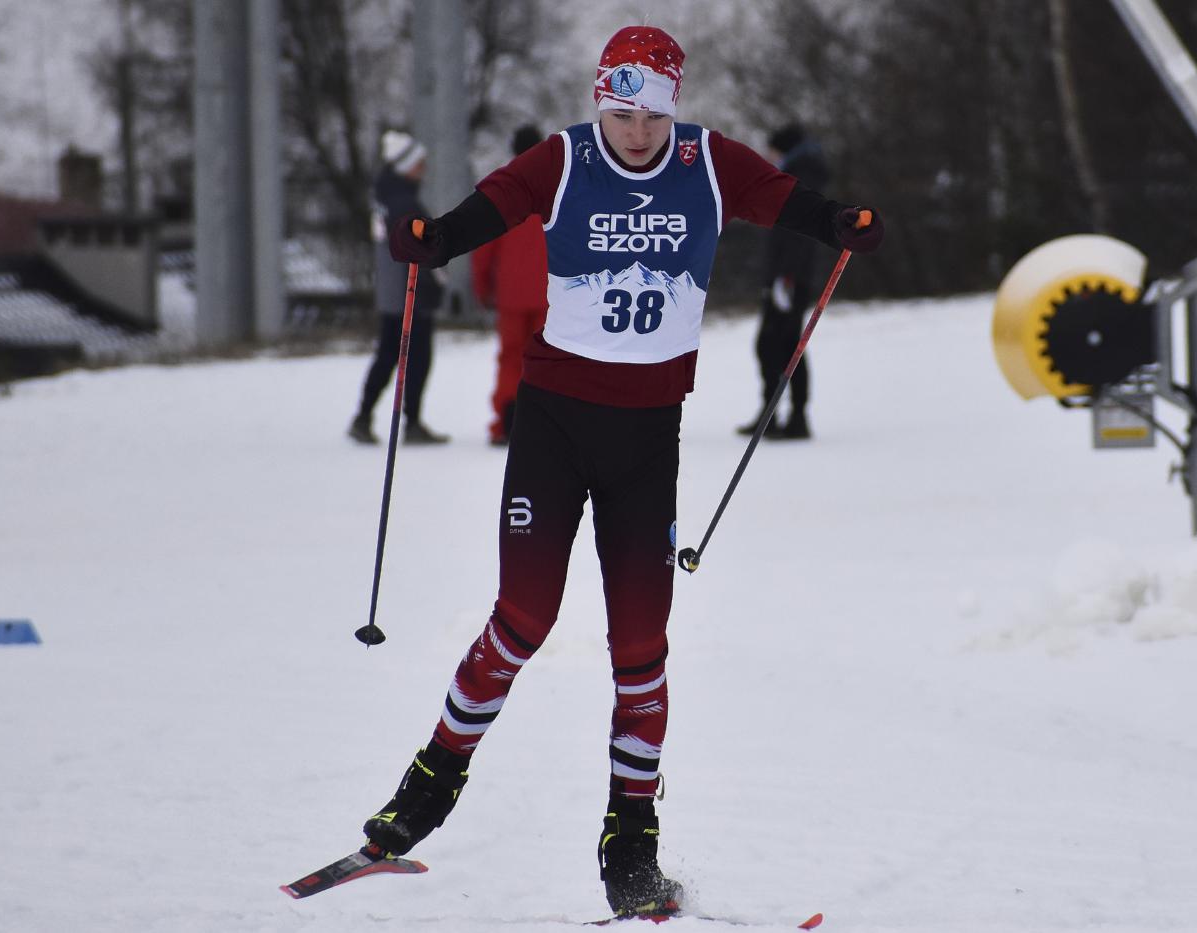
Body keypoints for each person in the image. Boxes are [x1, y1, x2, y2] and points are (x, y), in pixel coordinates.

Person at [359, 26, 882, 919]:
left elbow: (785, 199)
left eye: (652, 116)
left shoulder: (707, 162)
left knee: (641, 646)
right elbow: (491, 206)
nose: (636, 132)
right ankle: (428, 786)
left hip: (647, 438)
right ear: (599, 103)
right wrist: (434, 240)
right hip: (554, 426)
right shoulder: (564, 159)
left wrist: (839, 223)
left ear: (674, 109)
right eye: (621, 113)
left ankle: (630, 844)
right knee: (522, 618)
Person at [348, 129, 449, 446]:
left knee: (389, 354)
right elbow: (420, 247)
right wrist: (434, 278)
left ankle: (364, 416)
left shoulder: (386, 197)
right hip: (410, 292)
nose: (424, 168)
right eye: (420, 163)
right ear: (406, 166)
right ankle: (410, 422)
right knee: (416, 357)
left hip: (393, 291)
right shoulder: (403, 202)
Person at [739, 123, 831, 440]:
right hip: (783, 276)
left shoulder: (801, 178)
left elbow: (799, 236)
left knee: (785, 345)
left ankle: (796, 417)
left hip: (791, 279)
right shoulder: (793, 175)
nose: (769, 156)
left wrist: (787, 277)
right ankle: (773, 414)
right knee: (772, 344)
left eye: (773, 151)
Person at [471, 124, 550, 446]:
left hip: (510, 296)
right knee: (545, 361)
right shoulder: (555, 187)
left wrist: (482, 289)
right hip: (550, 294)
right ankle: (543, 424)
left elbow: (482, 246)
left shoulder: (501, 189)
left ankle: (506, 421)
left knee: (510, 358)